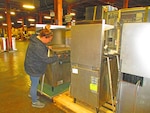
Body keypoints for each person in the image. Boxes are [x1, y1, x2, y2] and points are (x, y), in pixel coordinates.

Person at [24, 27, 58, 108]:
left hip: (31, 64)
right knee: (35, 84)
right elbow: (46, 60)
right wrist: (57, 57)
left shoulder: (36, 40)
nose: (49, 41)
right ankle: (34, 102)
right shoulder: (38, 47)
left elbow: (41, 46)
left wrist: (46, 47)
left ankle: (32, 94)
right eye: (49, 39)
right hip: (34, 67)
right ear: (43, 37)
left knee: (33, 82)